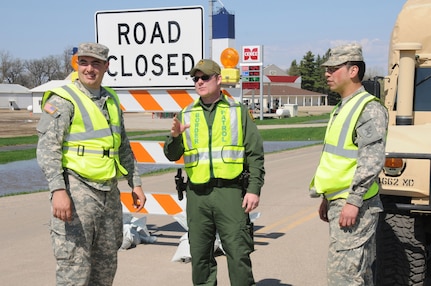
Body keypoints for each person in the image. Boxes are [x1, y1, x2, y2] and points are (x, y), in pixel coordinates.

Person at [36, 42, 146, 286]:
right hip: (77, 191)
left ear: (106, 66)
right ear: (76, 65)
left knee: (105, 267)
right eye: (83, 62)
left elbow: (123, 146)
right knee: (75, 268)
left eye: (96, 63)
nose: (89, 68)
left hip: (109, 193)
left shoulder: (112, 100)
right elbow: (47, 149)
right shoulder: (63, 100)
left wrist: (135, 182)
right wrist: (58, 190)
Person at [164, 59, 265, 286]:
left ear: (218, 79)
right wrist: (175, 137)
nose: (199, 82)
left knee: (238, 254)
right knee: (200, 257)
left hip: (230, 193)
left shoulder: (237, 112)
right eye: (196, 79)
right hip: (197, 196)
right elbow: (171, 154)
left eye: (205, 77)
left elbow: (255, 154)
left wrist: (254, 189)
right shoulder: (186, 113)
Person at [309, 43, 389, 285]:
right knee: (358, 275)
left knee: (342, 278)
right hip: (340, 200)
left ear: (353, 70)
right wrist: (327, 197)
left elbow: (371, 159)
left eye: (333, 68)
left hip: (356, 204)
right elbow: (338, 160)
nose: (327, 73)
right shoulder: (342, 107)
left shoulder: (368, 108)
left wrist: (353, 201)